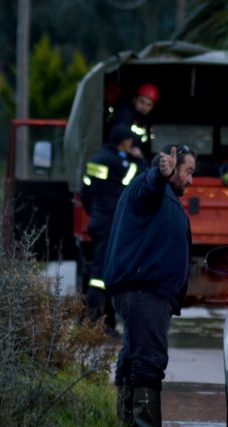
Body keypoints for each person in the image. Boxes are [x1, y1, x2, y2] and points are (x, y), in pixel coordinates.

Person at [103, 144, 196, 426]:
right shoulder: (151, 190)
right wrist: (159, 174)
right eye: (188, 171)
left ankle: (127, 418)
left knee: (135, 357)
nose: (191, 180)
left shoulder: (166, 197)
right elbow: (149, 187)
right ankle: (142, 421)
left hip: (147, 292)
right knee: (149, 361)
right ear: (170, 167)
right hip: (144, 291)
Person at [80, 123, 146, 334]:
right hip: (110, 222)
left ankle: (102, 321)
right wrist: (138, 159)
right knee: (102, 271)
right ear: (124, 142)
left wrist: (95, 212)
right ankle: (94, 320)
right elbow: (135, 179)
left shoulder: (97, 159)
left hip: (98, 218)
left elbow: (85, 192)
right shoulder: (120, 162)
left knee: (100, 267)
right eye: (129, 142)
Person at [111, 83, 160, 159]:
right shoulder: (125, 114)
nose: (144, 107)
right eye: (142, 102)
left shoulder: (147, 118)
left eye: (149, 105)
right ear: (134, 100)